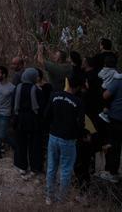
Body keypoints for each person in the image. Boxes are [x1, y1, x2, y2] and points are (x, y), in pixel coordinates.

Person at [44, 73, 86, 204]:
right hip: (68, 139)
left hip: (53, 136)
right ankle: (62, 199)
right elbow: (81, 123)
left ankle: (49, 197)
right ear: (78, 87)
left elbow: (46, 115)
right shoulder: (78, 102)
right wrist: (81, 135)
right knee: (66, 170)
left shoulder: (54, 96)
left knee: (51, 167)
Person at [13, 67, 44, 178]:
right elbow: (41, 107)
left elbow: (13, 104)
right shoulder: (36, 90)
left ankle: (22, 166)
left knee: (21, 143)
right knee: (34, 144)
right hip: (33, 120)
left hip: (19, 118)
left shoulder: (17, 88)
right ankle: (35, 167)